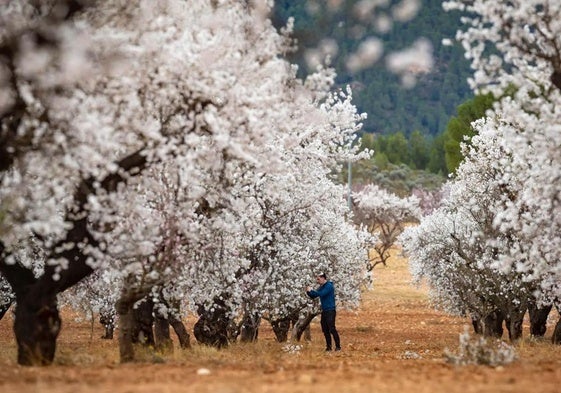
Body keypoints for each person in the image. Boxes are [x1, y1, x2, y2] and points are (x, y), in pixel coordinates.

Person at [306, 273, 341, 351]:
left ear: (323, 278)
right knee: (325, 329)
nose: (317, 281)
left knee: (332, 328)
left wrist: (311, 290)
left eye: (318, 279)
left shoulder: (328, 286)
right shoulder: (322, 287)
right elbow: (314, 295)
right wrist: (308, 291)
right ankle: (328, 347)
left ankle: (338, 347)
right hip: (324, 311)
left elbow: (321, 294)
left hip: (330, 310)